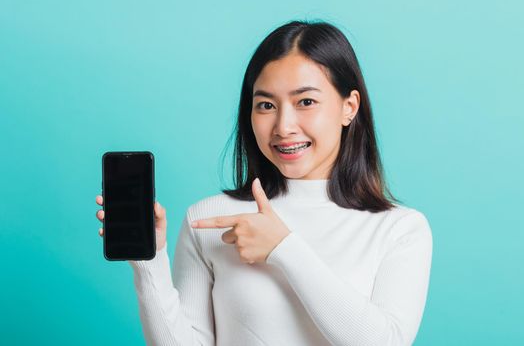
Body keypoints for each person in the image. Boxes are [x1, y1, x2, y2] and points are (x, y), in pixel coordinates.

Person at [95, 19, 433, 346]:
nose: (284, 126)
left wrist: (284, 247)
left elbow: (385, 342)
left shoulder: (400, 229)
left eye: (306, 102)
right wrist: (149, 260)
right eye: (266, 105)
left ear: (349, 107)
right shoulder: (210, 220)